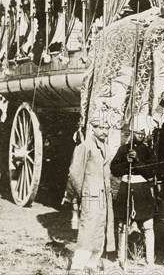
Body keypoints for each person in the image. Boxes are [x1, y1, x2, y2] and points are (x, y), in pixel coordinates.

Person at [67, 112, 116, 272]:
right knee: (88, 229)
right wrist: (84, 193)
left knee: (100, 229)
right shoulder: (84, 146)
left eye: (106, 128)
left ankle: (91, 264)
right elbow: (75, 173)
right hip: (91, 196)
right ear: (92, 128)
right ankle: (77, 265)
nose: (104, 131)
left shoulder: (105, 147)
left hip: (104, 197)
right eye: (100, 127)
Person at [110, 116, 156, 269]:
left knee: (148, 225)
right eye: (138, 132)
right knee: (123, 225)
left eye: (143, 133)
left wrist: (137, 161)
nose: (141, 135)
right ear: (132, 132)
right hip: (126, 188)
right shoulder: (124, 149)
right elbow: (114, 170)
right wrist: (126, 163)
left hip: (142, 191)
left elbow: (151, 172)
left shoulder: (147, 150)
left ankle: (150, 260)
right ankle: (121, 258)